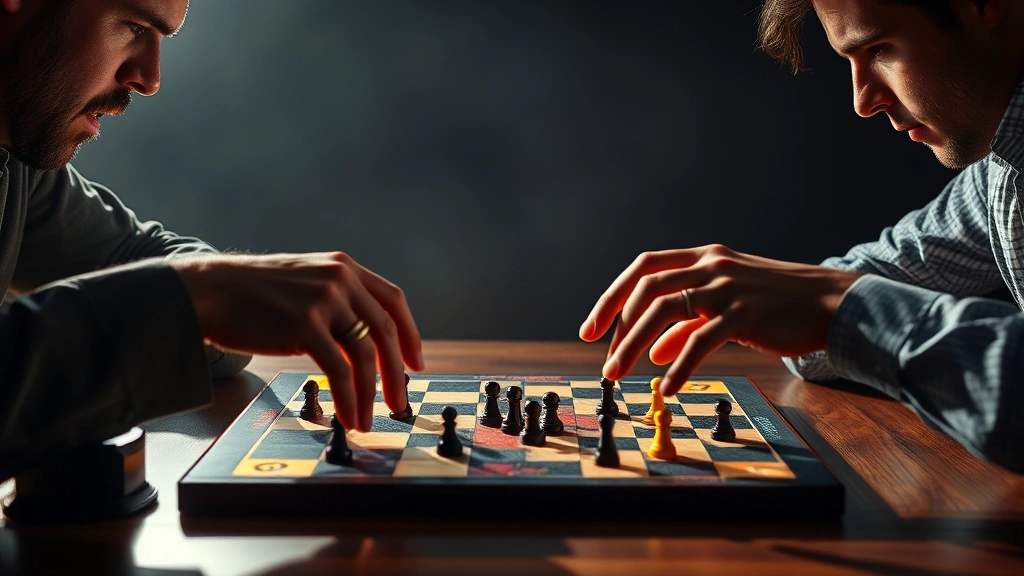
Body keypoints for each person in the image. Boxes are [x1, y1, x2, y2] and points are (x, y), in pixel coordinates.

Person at [581, 0, 1024, 473]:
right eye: (848, 61)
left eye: (879, 49)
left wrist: (840, 308)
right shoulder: (1000, 171)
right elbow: (821, 338)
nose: (863, 100)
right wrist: (814, 304)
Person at [0, 0, 424, 483]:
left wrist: (213, 294)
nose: (149, 78)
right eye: (133, 25)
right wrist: (194, 299)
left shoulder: (18, 167)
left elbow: (136, 258)